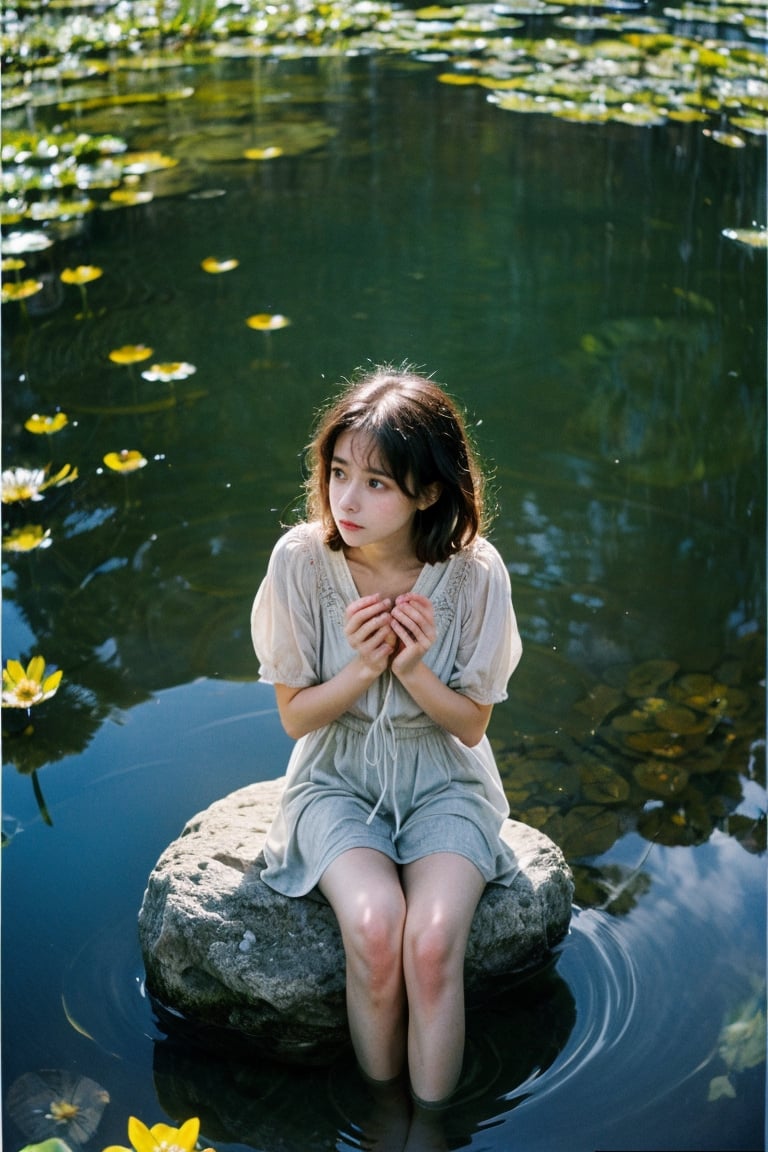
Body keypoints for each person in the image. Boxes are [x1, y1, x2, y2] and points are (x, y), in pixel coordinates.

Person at [251, 364, 522, 1111]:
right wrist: (366, 665)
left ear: (427, 492)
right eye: (339, 472)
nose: (346, 499)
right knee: (375, 929)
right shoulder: (302, 562)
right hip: (336, 779)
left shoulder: (473, 574)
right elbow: (295, 717)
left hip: (444, 779)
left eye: (376, 483)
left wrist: (412, 669)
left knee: (432, 946)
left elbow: (471, 726)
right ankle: (379, 1124)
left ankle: (430, 1133)